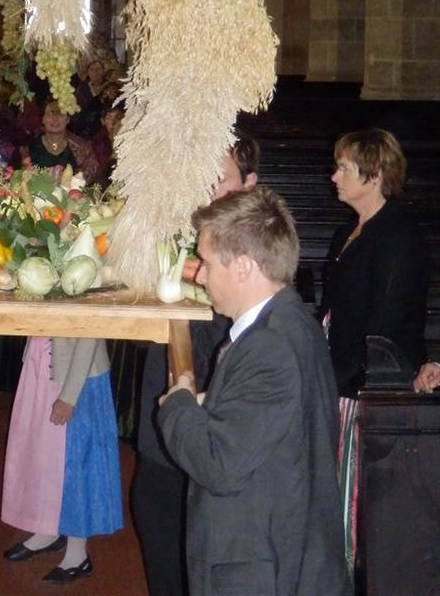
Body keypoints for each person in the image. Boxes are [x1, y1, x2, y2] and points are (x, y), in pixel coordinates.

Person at [158, 186, 350, 596]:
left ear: (243, 266)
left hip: (262, 572)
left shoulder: (270, 347)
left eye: (208, 263)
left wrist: (178, 403)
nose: (200, 275)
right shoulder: (288, 323)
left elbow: (218, 464)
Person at [132, 134, 259, 596]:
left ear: (249, 183)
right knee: (156, 521)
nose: (209, 190)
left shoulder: (255, 252)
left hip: (210, 429)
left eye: (220, 179)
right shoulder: (181, 230)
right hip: (164, 422)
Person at [319, 128, 431, 574]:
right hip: (342, 377)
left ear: (375, 174)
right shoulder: (350, 231)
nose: (334, 176)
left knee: (359, 499)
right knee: (336, 490)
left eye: (344, 168)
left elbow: (386, 323)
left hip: (371, 387)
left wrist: (349, 384)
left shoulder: (398, 237)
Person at [2, 336, 122, 585]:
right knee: (42, 457)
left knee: (76, 464)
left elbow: (89, 334)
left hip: (79, 376)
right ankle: (48, 529)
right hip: (41, 366)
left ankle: (77, 554)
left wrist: (69, 396)